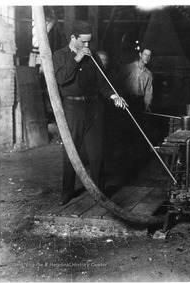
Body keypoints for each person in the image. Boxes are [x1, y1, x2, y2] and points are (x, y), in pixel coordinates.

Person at [53, 20, 127, 206]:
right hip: (72, 108)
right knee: (71, 150)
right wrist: (77, 57)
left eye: (89, 42)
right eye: (83, 42)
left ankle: (99, 191)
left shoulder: (93, 57)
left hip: (93, 107)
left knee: (97, 151)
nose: (87, 46)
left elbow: (103, 83)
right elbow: (61, 79)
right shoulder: (59, 56)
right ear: (73, 38)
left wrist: (114, 96)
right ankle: (67, 190)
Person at [115, 46, 153, 112]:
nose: (147, 57)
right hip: (127, 99)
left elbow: (148, 92)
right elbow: (117, 83)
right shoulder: (128, 68)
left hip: (140, 102)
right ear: (140, 54)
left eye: (149, 55)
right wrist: (118, 98)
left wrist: (147, 105)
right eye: (145, 54)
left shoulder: (148, 73)